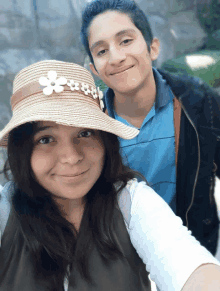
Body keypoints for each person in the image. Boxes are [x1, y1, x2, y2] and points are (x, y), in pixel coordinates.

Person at [0, 60, 220, 291]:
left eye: (85, 133)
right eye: (45, 139)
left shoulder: (131, 202)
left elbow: (188, 264)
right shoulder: (6, 210)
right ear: (22, 151)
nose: (71, 156)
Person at [80, 0, 220, 257]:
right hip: (123, 259)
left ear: (152, 47)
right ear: (94, 70)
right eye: (101, 51)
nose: (116, 57)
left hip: (194, 247)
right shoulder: (90, 126)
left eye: (125, 41)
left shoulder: (198, 102)